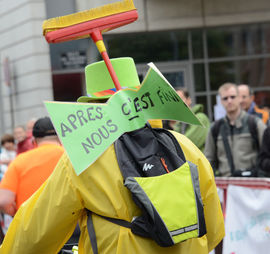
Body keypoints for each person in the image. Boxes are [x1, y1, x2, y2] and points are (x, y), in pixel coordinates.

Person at [0, 58, 224, 253]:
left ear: (94, 107)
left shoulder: (86, 157)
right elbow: (213, 230)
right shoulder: (184, 145)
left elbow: (36, 231)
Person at [0, 117, 64, 216]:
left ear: (33, 140)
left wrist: (17, 214)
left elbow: (3, 201)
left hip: (30, 225)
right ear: (60, 137)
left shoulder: (19, 161)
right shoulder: (71, 157)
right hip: (70, 224)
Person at [204, 83, 266, 177]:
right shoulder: (215, 128)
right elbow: (209, 160)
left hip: (252, 184)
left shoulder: (255, 123)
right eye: (225, 98)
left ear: (239, 98)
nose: (229, 101)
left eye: (232, 97)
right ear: (220, 101)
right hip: (225, 185)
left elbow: (267, 155)